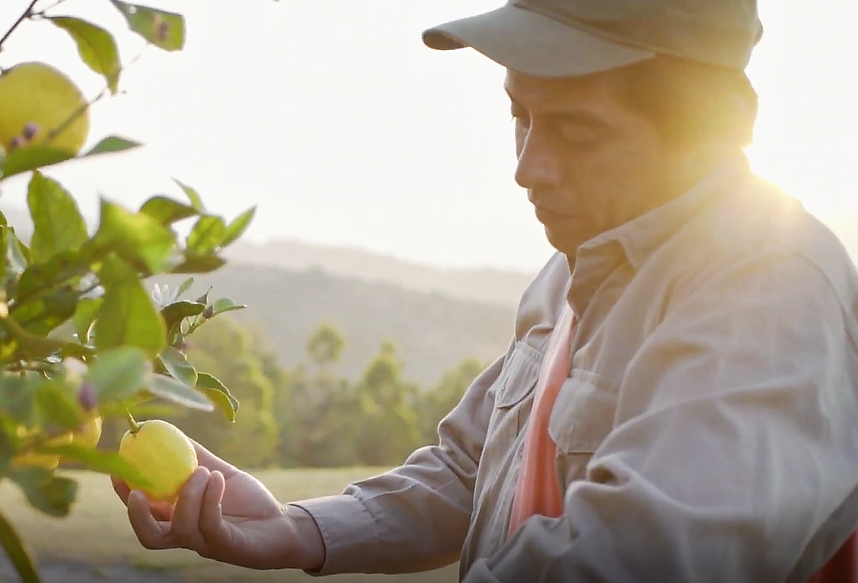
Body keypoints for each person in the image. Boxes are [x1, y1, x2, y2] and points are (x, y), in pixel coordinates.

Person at [111, 0, 858, 581]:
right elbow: (472, 469)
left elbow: (642, 556)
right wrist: (294, 528)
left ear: (705, 132)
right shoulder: (577, 268)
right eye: (518, 114)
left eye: (577, 132)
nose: (527, 168)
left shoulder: (768, 286)